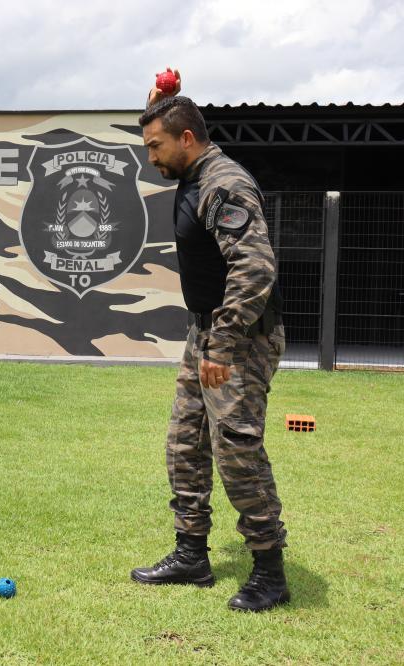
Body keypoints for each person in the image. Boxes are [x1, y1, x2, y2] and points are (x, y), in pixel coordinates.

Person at [129, 69, 289, 612]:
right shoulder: (192, 171)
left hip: (239, 339)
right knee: (184, 442)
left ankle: (269, 571)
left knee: (237, 451)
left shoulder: (224, 183)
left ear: (188, 139)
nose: (151, 157)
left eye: (156, 146)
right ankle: (191, 553)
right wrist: (157, 106)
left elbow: (254, 267)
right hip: (206, 332)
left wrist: (221, 346)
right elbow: (165, 123)